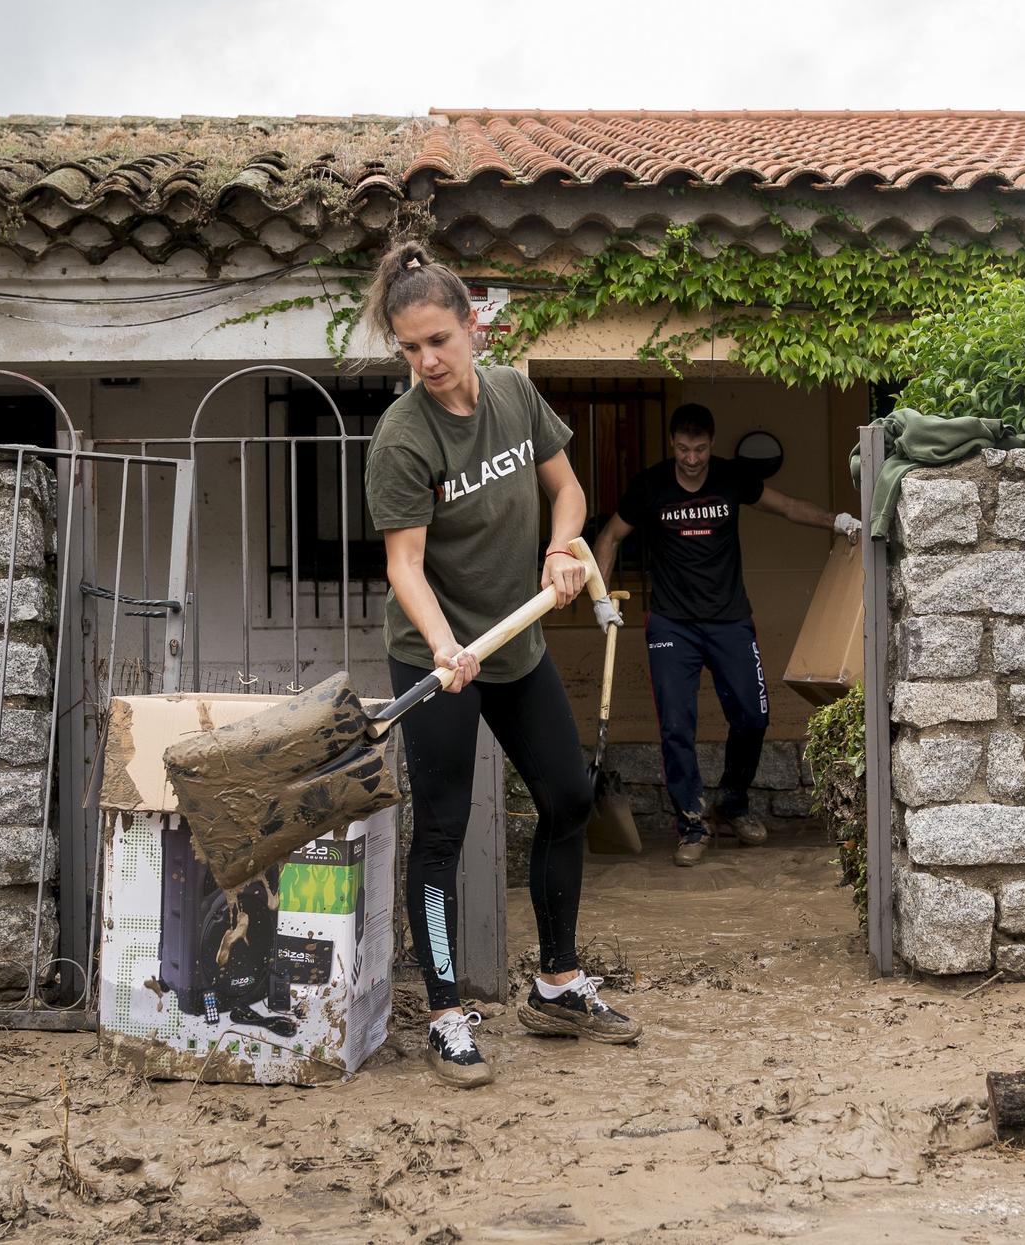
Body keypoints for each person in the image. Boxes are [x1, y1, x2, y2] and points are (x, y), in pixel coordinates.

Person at [364, 240, 639, 1089]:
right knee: (442, 830)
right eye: (410, 348)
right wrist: (446, 645)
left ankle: (556, 983)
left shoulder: (516, 396)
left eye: (440, 340)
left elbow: (568, 490)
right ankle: (446, 1013)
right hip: (440, 653)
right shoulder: (402, 438)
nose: (428, 362)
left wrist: (564, 546)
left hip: (516, 646)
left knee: (567, 795)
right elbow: (404, 566)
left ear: (473, 326)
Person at [593, 403, 860, 867]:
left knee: (754, 717)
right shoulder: (651, 485)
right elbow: (611, 536)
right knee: (677, 727)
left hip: (730, 619)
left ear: (711, 444)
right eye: (682, 448)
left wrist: (836, 521)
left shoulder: (730, 478)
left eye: (698, 449)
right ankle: (692, 825)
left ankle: (732, 804)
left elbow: (788, 507)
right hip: (672, 624)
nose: (691, 458)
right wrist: (599, 597)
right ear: (672, 444)